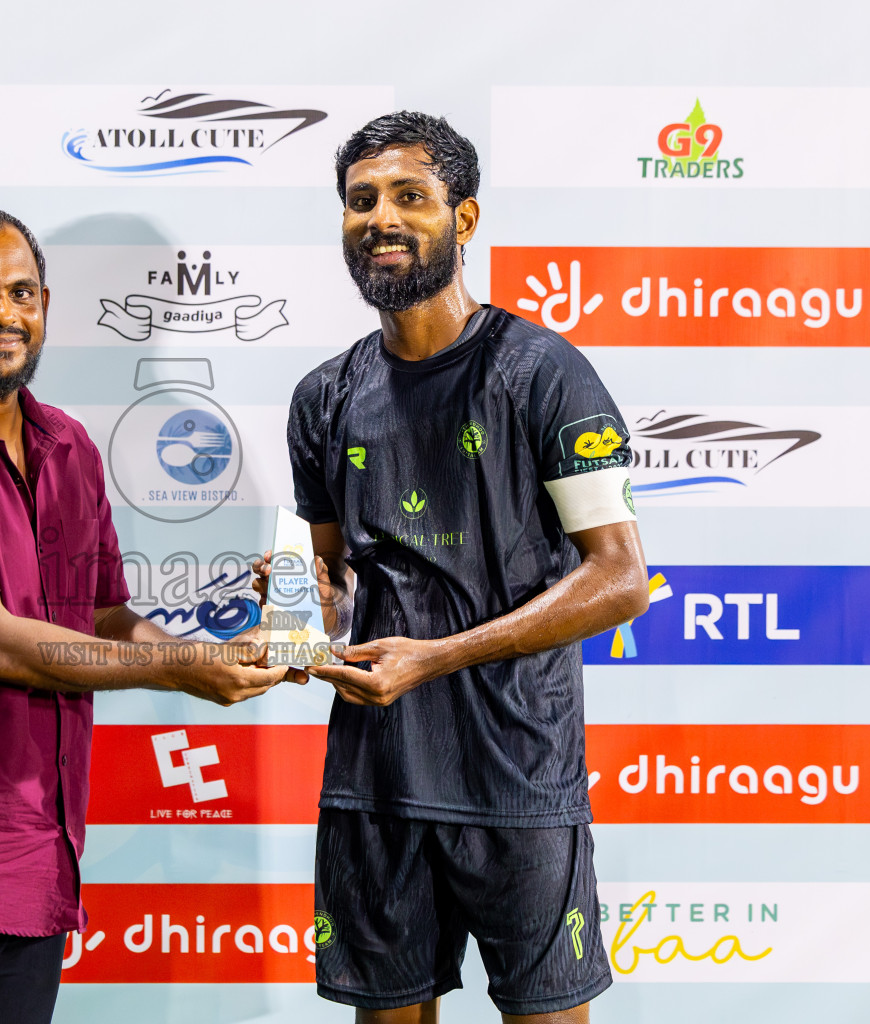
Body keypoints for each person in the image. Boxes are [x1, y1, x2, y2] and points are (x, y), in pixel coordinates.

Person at [0, 205, 291, 1024]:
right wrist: (183, 668)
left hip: (37, 856)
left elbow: (102, 615)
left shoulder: (67, 444)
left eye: (22, 293)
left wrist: (221, 639)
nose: (5, 315)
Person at [265, 113, 651, 1023]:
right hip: (378, 773)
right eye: (362, 201)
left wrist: (435, 657)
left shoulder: (544, 372)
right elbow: (327, 582)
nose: (381, 218)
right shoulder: (323, 395)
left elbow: (621, 577)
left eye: (410, 196)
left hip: (517, 768)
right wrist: (295, 595)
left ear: (464, 218)